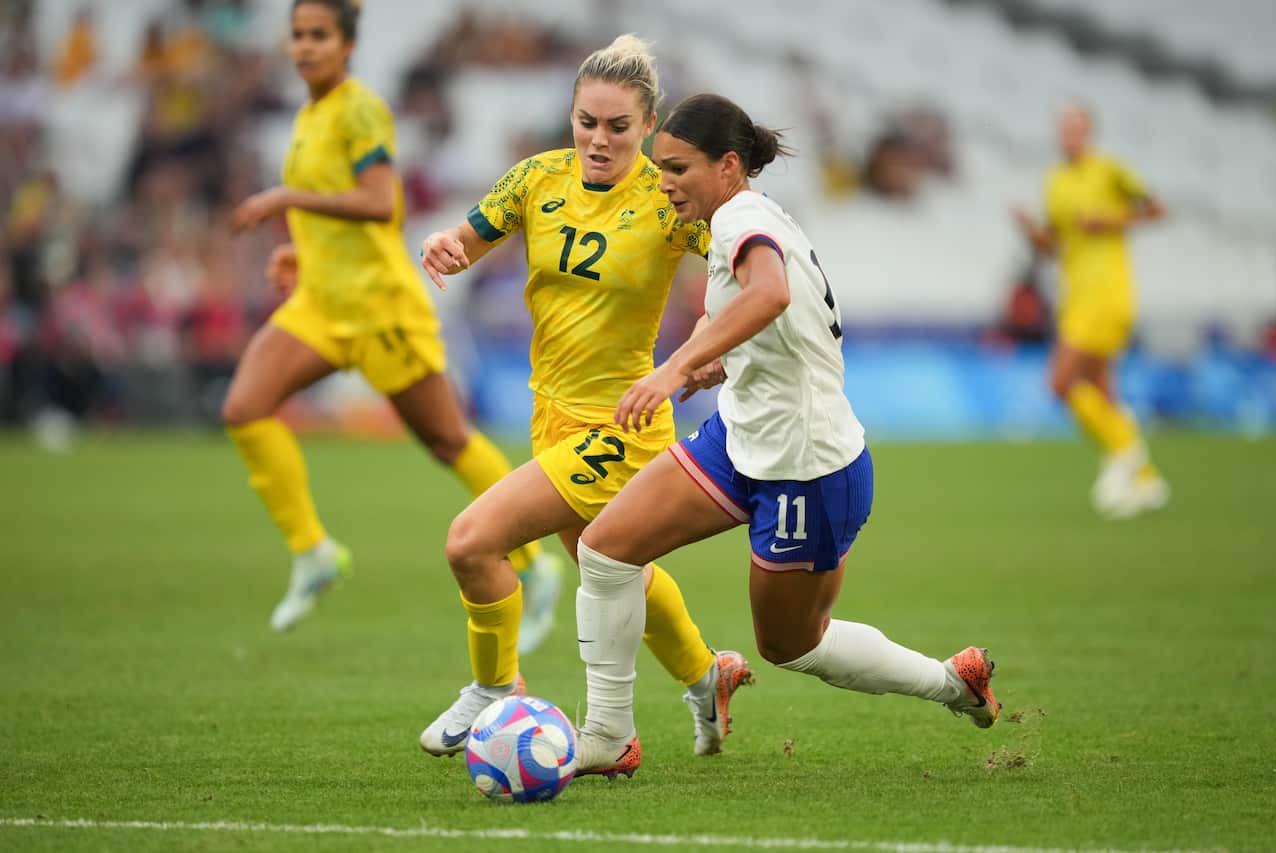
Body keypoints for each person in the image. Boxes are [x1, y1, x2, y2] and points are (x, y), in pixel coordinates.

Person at [571, 93, 1000, 772]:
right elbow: (774, 313)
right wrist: (723, 357)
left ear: (729, 166)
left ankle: (952, 682)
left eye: (678, 167)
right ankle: (608, 735)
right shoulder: (742, 215)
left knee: (791, 644)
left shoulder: (741, 215)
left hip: (807, 465)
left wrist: (674, 369)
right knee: (605, 550)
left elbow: (768, 293)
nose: (665, 182)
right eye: (659, 169)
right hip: (743, 435)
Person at [416, 36, 752, 777]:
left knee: (472, 542)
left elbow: (744, 275)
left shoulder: (669, 202)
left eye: (618, 127)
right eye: (586, 121)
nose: (599, 140)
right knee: (612, 565)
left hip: (622, 426)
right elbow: (470, 238)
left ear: (650, 127)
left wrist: (704, 350)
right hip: (552, 419)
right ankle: (707, 674)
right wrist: (444, 245)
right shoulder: (538, 178)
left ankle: (493, 686)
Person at [225, 0, 558, 637]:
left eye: (319, 35)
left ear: (347, 45)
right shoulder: (310, 115)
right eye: (297, 35)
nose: (305, 47)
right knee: (244, 407)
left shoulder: (360, 108)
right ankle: (313, 550)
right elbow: (340, 211)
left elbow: (380, 204)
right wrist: (306, 250)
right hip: (322, 303)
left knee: (448, 440)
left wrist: (284, 198)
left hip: (380, 309)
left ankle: (536, 560)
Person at [1014, 103, 1169, 518]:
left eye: (1077, 129)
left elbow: (1156, 209)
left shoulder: (1111, 171)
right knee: (1102, 391)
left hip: (1109, 293)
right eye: (1065, 129)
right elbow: (1053, 246)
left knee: (1060, 381)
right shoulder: (1055, 182)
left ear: (1090, 133)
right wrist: (1032, 232)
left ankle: (1127, 449)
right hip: (1075, 295)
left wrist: (1111, 220)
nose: (1070, 136)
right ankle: (1147, 480)